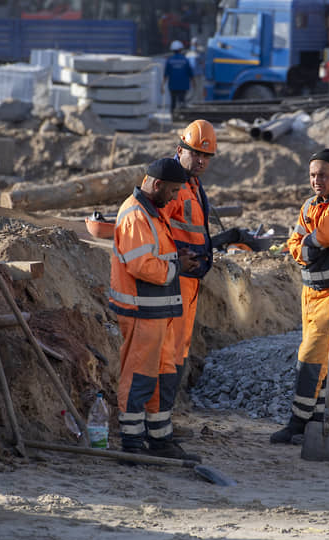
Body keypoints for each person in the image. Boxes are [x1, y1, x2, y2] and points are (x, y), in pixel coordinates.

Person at [271, 149, 329, 445]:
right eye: (313, 175)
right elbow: (295, 245)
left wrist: (309, 247)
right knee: (322, 358)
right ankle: (324, 415)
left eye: (323, 175)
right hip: (310, 291)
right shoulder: (309, 205)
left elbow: (325, 236)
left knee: (311, 356)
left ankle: (297, 422)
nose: (316, 181)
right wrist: (308, 249)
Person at [109, 157, 202, 462]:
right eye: (173, 191)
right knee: (138, 377)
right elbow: (142, 265)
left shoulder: (152, 212)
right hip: (141, 311)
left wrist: (177, 256)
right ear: (158, 185)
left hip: (156, 311)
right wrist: (178, 266)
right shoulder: (136, 215)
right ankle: (132, 444)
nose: (175, 198)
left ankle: (160, 440)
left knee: (158, 376)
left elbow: (155, 254)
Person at [163, 119, 216, 434]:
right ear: (179, 149)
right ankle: (158, 423)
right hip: (174, 279)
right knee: (168, 352)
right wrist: (174, 261)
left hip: (189, 280)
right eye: (195, 153)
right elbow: (154, 227)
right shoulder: (170, 184)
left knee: (180, 349)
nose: (200, 160)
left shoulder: (192, 184)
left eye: (206, 156)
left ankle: (164, 419)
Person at [162, 40, 194, 114]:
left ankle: (173, 117)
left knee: (173, 101)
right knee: (182, 102)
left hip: (173, 85)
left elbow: (166, 74)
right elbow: (190, 73)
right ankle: (181, 116)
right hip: (183, 85)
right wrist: (194, 83)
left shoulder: (169, 60)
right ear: (181, 49)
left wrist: (162, 85)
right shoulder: (185, 60)